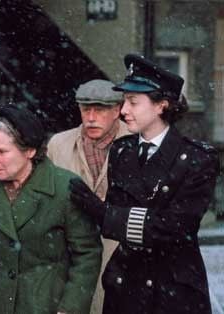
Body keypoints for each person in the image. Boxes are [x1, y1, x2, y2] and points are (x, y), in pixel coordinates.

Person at [69, 54, 220, 314]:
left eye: (133, 102)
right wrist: (114, 218)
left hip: (173, 291)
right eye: (124, 102)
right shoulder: (121, 151)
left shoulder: (197, 158)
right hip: (126, 285)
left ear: (161, 105)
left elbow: (176, 228)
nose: (124, 110)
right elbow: (125, 225)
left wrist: (104, 213)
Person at [0, 104, 102, 314]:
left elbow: (87, 255)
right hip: (1, 304)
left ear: (29, 151)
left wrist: (70, 308)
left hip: (47, 303)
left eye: (1, 151)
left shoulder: (65, 187)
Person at [47, 79, 130, 314]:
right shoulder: (59, 144)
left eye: (100, 109)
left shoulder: (136, 142)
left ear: (117, 111)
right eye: (85, 109)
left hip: (122, 255)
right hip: (74, 256)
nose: (91, 117)